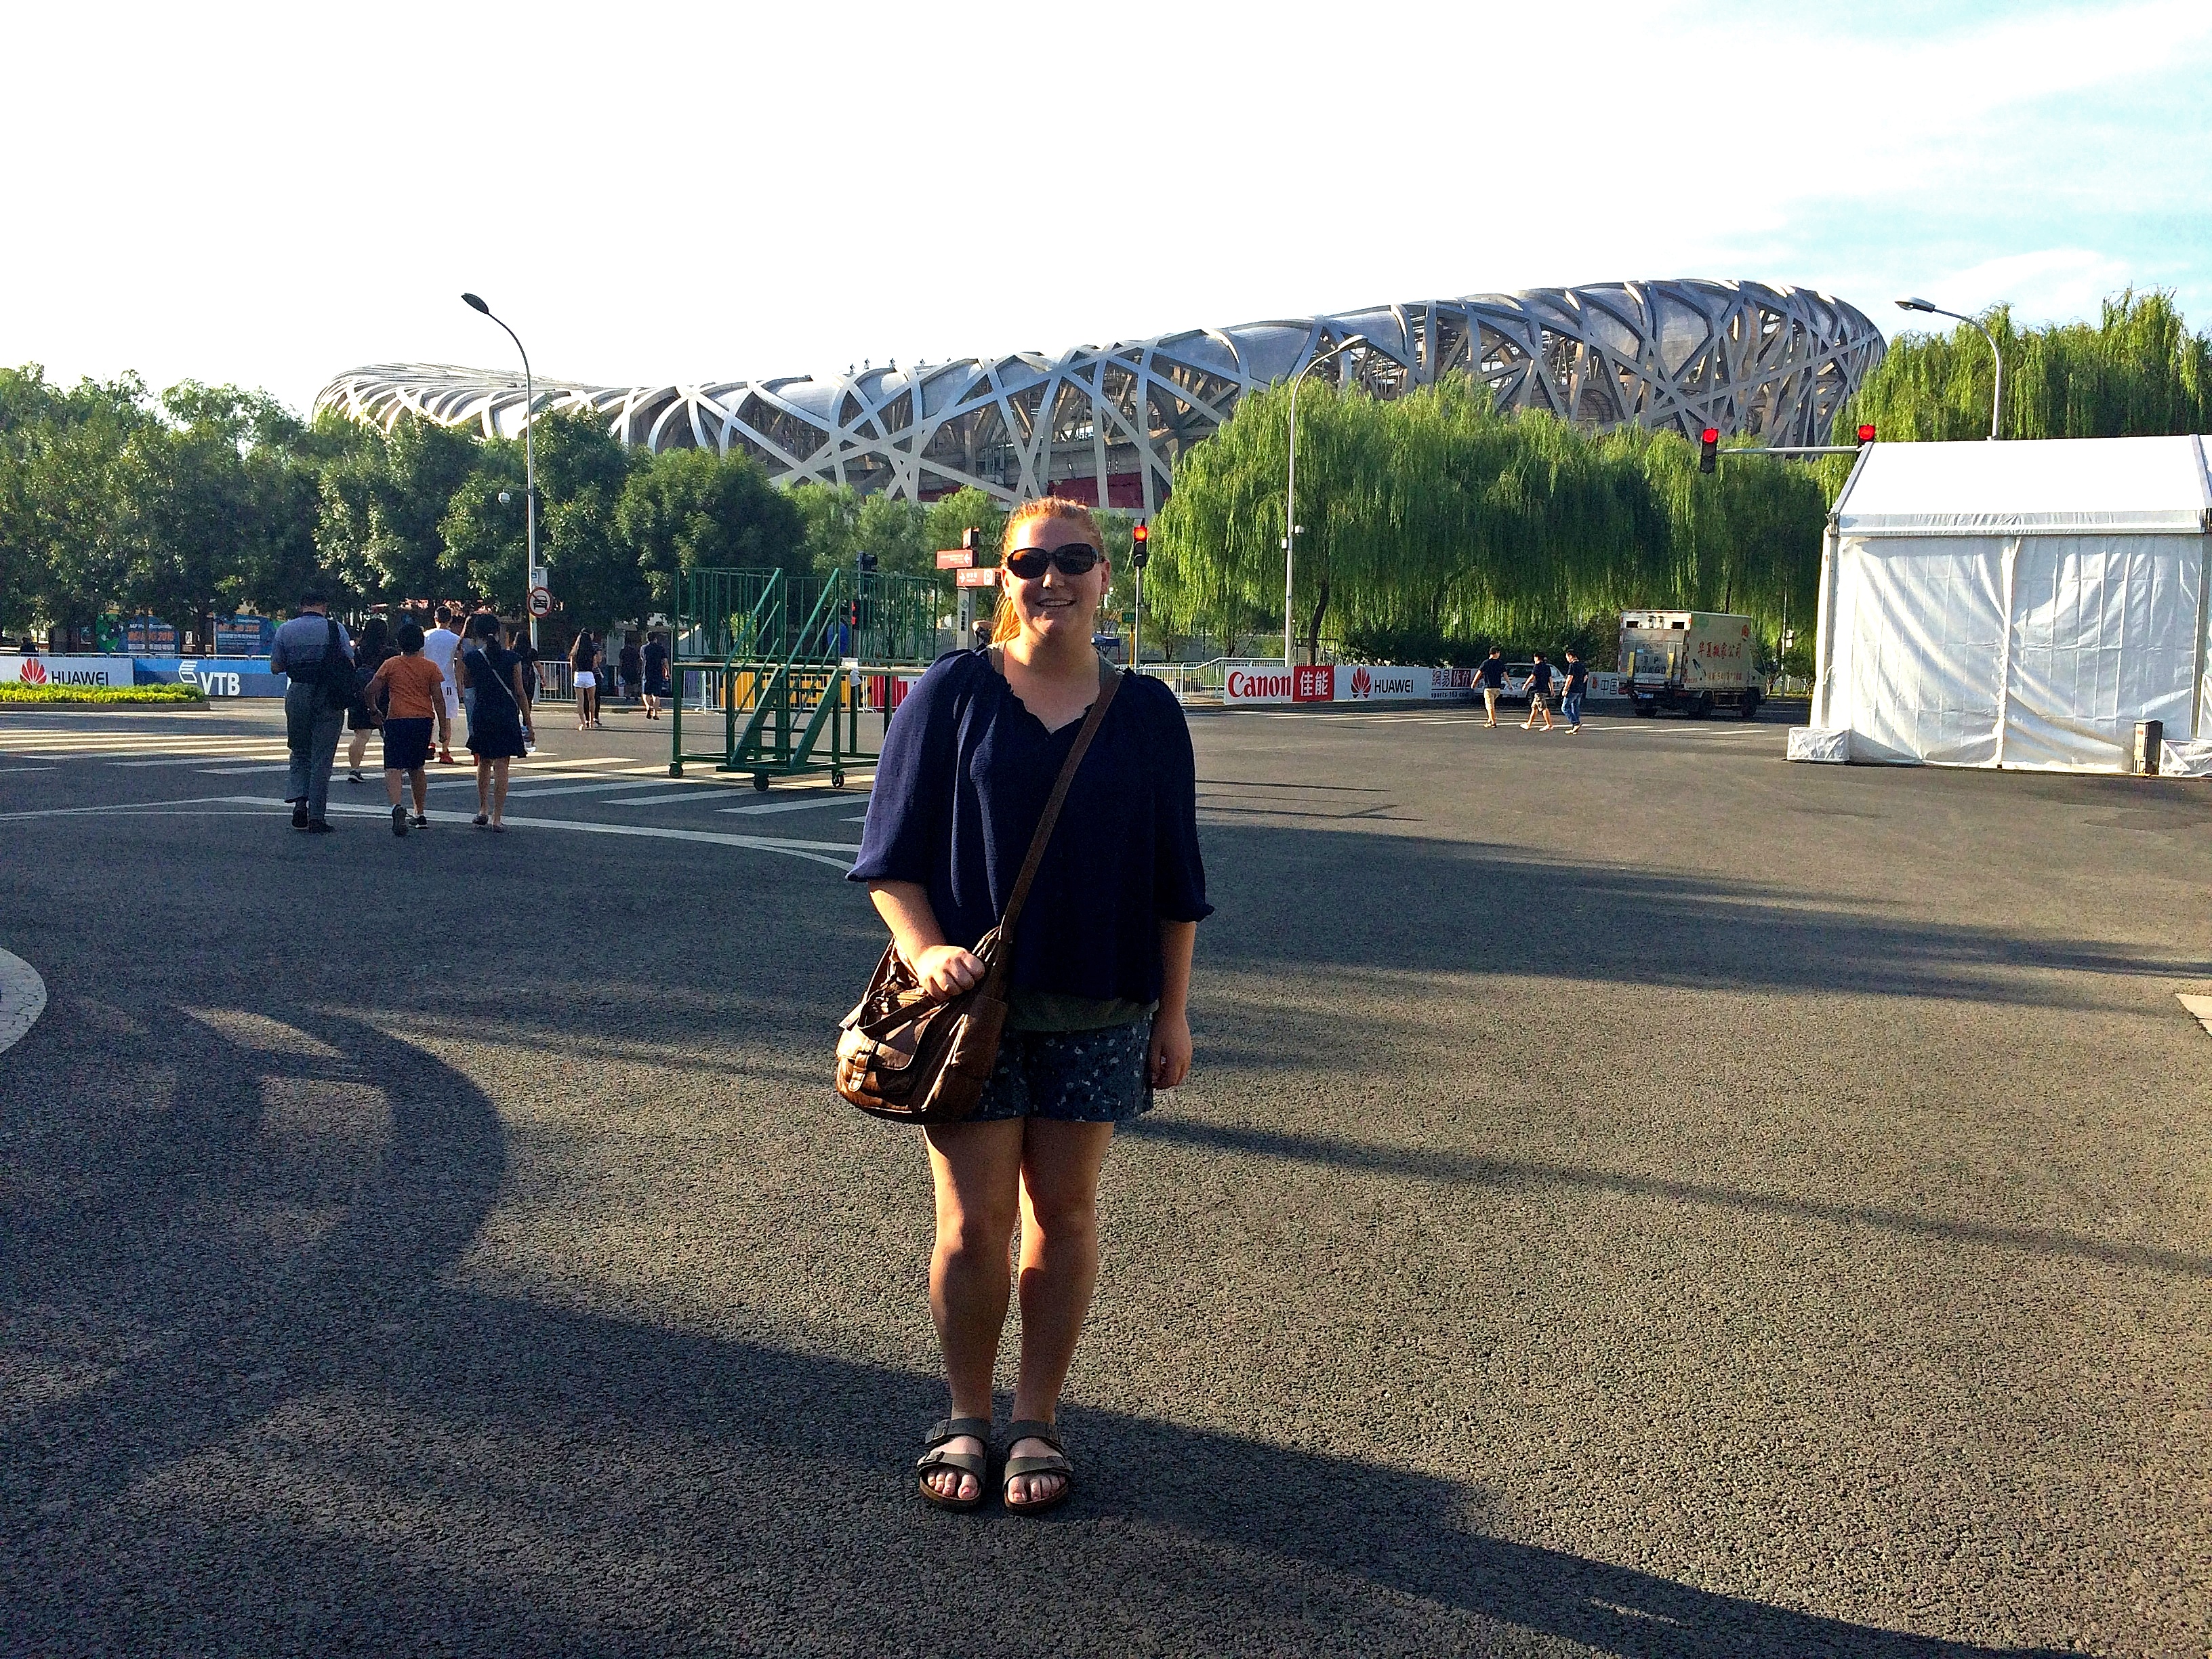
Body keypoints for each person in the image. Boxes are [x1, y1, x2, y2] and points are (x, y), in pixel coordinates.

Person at [851, 496, 1210, 1517]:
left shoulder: (1147, 713)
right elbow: (890, 859)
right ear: (1004, 579)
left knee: (1066, 1214)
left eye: (1074, 559)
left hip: (1101, 1006)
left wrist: (1174, 1013)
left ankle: (1037, 1417)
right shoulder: (954, 692)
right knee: (975, 1224)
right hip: (973, 1012)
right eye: (1029, 562)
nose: (1052, 578)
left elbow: (1176, 882)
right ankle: (966, 1412)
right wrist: (926, 950)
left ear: (1106, 576)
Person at [268, 591, 354, 832]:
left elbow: (276, 667)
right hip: (329, 695)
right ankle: (317, 817)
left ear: (301, 606)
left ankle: (299, 803)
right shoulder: (336, 629)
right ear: (323, 606)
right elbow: (350, 663)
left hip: (297, 693)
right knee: (322, 758)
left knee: (299, 751)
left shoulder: (285, 630)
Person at [364, 621, 445, 836]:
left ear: (399, 643)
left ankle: (397, 806)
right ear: (421, 644)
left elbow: (370, 690)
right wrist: (444, 728)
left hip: (397, 719)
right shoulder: (430, 667)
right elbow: (438, 699)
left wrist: (373, 710)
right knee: (417, 767)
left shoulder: (391, 664)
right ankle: (420, 813)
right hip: (423, 720)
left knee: (393, 767)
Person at [455, 613, 534, 830]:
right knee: (502, 765)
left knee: (484, 762)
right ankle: (497, 817)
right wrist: (528, 723)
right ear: (499, 632)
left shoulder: (472, 658)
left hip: (483, 713)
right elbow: (520, 692)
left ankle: (483, 809)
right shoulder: (513, 658)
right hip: (506, 715)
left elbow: (468, 685)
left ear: (478, 634)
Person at [344, 617, 393, 783]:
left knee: (361, 735)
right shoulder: (389, 653)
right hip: (384, 697)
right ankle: (393, 769)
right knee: (389, 736)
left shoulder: (356, 651)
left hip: (359, 697)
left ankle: (355, 769)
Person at [422, 607, 464, 764]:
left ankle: (429, 744)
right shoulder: (455, 639)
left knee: (427, 716)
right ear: (450, 620)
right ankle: (445, 752)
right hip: (447, 682)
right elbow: (459, 665)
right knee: (446, 719)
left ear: (435, 619)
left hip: (427, 681)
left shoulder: (425, 636)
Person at [570, 630, 601, 730]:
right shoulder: (591, 650)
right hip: (589, 675)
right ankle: (591, 721)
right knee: (592, 699)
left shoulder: (575, 651)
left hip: (579, 675)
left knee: (580, 700)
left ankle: (583, 723)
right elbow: (595, 664)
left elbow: (572, 666)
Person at [1476, 647, 1508, 728]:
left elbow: (1479, 673)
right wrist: (1509, 684)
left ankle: (1493, 722)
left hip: (1489, 687)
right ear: (1496, 653)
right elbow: (1505, 675)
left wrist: (1474, 682)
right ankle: (1489, 720)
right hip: (1497, 688)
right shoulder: (1500, 663)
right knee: (1491, 704)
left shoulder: (1486, 663)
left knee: (1490, 705)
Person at [1523, 651, 1555, 731]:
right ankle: (1529, 724)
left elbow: (1532, 677)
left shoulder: (1537, 667)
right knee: (1534, 707)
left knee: (1543, 707)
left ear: (1537, 657)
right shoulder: (1547, 667)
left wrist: (1526, 684)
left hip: (1539, 689)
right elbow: (1550, 679)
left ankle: (1549, 725)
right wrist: (1552, 689)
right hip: (1545, 689)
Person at [641, 631, 670, 720]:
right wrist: (667, 672)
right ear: (655, 639)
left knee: (646, 693)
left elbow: (642, 658)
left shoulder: (644, 648)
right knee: (656, 695)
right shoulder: (660, 648)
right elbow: (665, 661)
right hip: (657, 673)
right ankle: (655, 713)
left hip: (647, 672)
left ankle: (648, 707)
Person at [1560, 649, 1589, 733]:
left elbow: (1570, 678)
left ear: (1570, 656)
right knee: (1575, 707)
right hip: (1580, 689)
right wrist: (1580, 684)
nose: (1567, 659)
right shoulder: (1582, 665)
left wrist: (1565, 689)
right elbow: (1585, 677)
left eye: (1567, 657)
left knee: (1565, 708)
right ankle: (1575, 727)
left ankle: (1575, 723)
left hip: (1572, 689)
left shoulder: (1572, 665)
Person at [618, 634, 643, 707]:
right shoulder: (634, 651)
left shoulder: (623, 651)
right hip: (633, 668)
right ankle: (636, 695)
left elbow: (621, 661)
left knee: (627, 682)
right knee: (635, 682)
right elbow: (638, 660)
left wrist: (620, 669)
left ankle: (627, 695)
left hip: (625, 668)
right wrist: (639, 668)